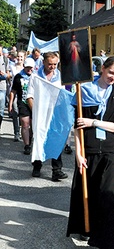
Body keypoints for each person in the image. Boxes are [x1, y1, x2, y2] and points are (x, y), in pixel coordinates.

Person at [66, 56, 114, 248]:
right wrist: (78, 153)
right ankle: (87, 229)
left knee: (109, 196)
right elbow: (78, 126)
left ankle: (105, 242)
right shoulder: (83, 91)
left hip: (111, 151)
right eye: (111, 73)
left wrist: (95, 122)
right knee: (89, 194)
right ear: (102, 69)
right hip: (89, 150)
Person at [26, 52, 67, 181]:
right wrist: (36, 111)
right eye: (50, 64)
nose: (52, 67)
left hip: (55, 113)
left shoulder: (61, 77)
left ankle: (57, 170)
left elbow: (63, 95)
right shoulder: (35, 76)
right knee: (39, 138)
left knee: (56, 139)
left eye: (55, 64)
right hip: (40, 114)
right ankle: (37, 166)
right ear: (43, 62)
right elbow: (29, 96)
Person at [8, 50, 26, 141]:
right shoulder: (12, 67)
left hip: (23, 93)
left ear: (24, 58)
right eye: (18, 56)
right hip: (13, 91)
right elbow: (8, 77)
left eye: (21, 57)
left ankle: (24, 131)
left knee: (23, 114)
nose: (19, 58)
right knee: (15, 111)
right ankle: (17, 133)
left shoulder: (27, 68)